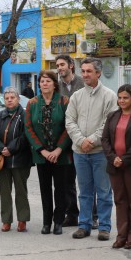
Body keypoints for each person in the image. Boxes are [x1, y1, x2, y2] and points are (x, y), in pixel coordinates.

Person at [65, 57, 117, 241]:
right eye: (83, 71)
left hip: (100, 152)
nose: (85, 74)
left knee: (103, 191)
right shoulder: (76, 96)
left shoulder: (109, 96)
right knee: (84, 192)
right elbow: (69, 120)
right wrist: (80, 141)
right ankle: (84, 225)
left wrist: (92, 140)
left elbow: (108, 123)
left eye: (89, 71)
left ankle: (104, 227)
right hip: (80, 152)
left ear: (98, 73)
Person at [101, 84, 131, 250]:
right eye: (120, 97)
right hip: (115, 166)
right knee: (120, 200)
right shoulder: (112, 116)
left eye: (125, 98)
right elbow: (105, 139)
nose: (122, 100)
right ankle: (121, 236)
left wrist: (124, 159)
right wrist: (113, 158)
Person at [25, 70, 73, 235]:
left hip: (61, 154)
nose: (44, 84)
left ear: (54, 84)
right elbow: (29, 128)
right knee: (45, 189)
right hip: (42, 154)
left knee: (61, 189)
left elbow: (69, 126)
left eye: (47, 81)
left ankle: (58, 221)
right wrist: (42, 150)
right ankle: (46, 222)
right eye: (42, 81)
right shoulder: (32, 103)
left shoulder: (64, 101)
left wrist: (59, 149)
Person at [0, 87, 32, 232]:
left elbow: (26, 136)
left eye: (12, 97)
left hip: (20, 158)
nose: (9, 100)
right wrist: (2, 149)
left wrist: (11, 149)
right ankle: (6, 220)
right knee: (4, 191)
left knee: (21, 191)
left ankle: (22, 220)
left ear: (18, 99)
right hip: (2, 160)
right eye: (7, 98)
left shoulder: (25, 115)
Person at [55, 54, 85, 227]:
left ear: (71, 66)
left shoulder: (82, 83)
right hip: (65, 141)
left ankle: (92, 216)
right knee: (67, 181)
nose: (59, 68)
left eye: (62, 65)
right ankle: (72, 214)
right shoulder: (56, 87)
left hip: (83, 138)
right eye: (57, 65)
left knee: (87, 182)